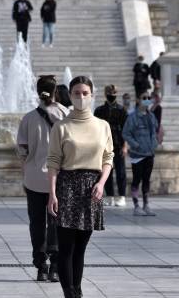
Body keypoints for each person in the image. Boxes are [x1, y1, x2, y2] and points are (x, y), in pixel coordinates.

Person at [47, 76, 113, 298]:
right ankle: (70, 293)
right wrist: (52, 193)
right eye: (76, 93)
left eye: (85, 93)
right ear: (70, 95)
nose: (81, 97)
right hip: (67, 186)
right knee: (66, 247)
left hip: (91, 188)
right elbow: (54, 161)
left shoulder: (103, 126)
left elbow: (108, 157)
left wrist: (102, 183)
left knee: (81, 247)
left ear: (92, 95)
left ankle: (77, 289)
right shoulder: (61, 126)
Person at [17, 75, 69, 282]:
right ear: (56, 92)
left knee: (37, 223)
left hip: (34, 179)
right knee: (56, 222)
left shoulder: (28, 118)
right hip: (60, 179)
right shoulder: (66, 114)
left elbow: (21, 150)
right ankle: (56, 265)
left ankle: (41, 265)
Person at [123, 92, 159, 217]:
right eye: (144, 98)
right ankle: (136, 205)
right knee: (136, 179)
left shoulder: (151, 116)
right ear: (138, 100)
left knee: (146, 180)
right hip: (137, 154)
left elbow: (155, 131)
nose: (147, 100)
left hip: (149, 153)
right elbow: (126, 133)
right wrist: (135, 144)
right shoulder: (132, 117)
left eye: (149, 98)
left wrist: (155, 144)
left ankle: (146, 204)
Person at [94, 85, 128, 207]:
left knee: (120, 172)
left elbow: (126, 130)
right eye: (109, 92)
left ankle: (121, 196)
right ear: (105, 93)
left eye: (114, 92)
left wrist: (125, 146)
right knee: (106, 171)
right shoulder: (99, 111)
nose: (111, 94)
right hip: (104, 145)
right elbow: (96, 130)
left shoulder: (122, 110)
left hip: (118, 144)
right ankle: (109, 196)